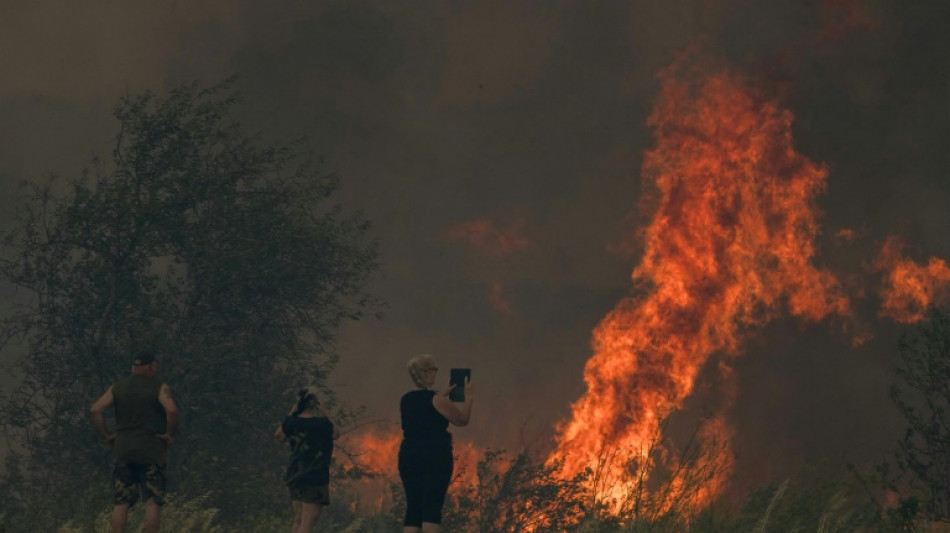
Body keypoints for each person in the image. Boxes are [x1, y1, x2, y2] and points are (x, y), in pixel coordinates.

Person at [90, 351, 179, 533]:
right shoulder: (160, 387)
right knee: (152, 503)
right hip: (151, 452)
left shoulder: (118, 387)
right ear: (150, 367)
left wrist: (107, 436)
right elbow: (172, 410)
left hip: (123, 453)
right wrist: (169, 434)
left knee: (121, 503)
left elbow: (95, 410)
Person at [398, 354, 473, 533]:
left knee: (414, 509)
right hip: (435, 457)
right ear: (425, 373)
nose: (436, 373)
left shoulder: (406, 399)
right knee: (432, 508)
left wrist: (443, 395)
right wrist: (469, 398)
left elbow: (425, 410)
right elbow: (462, 420)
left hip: (408, 457)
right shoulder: (437, 400)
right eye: (434, 369)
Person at [274, 388, 340, 533]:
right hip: (314, 476)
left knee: (299, 519)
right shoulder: (322, 424)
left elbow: (279, 435)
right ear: (314, 404)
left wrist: (292, 412)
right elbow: (336, 433)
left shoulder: (292, 422)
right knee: (309, 521)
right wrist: (325, 410)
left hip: (295, 475)